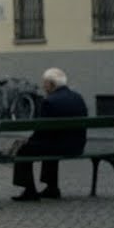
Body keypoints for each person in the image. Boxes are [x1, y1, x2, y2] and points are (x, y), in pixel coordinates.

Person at [11, 67, 88, 202]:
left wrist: (27, 142)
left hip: (59, 146)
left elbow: (41, 132)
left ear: (52, 84)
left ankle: (29, 190)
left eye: (45, 83)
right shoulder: (78, 97)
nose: (43, 86)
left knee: (24, 150)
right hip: (77, 146)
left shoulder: (49, 101)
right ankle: (52, 188)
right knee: (51, 144)